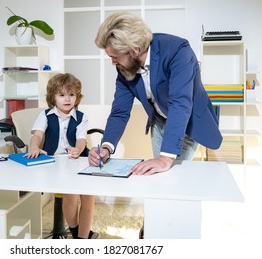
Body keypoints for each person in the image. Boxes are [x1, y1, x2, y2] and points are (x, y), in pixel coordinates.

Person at [88, 12, 222, 175]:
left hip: (186, 121)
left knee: (173, 175)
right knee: (160, 178)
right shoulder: (124, 66)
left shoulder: (177, 51)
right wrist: (106, 147)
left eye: (115, 57)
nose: (113, 62)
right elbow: (119, 112)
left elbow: (180, 104)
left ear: (134, 50)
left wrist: (165, 159)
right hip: (159, 121)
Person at [26, 73, 99, 239]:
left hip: (79, 160)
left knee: (88, 198)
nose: (67, 99)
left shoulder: (81, 117)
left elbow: (81, 140)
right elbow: (36, 135)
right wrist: (34, 147)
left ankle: (82, 239)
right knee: (70, 196)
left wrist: (77, 150)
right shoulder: (45, 115)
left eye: (71, 94)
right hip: (57, 164)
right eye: (62, 95)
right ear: (53, 97)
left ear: (77, 97)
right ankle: (76, 232)